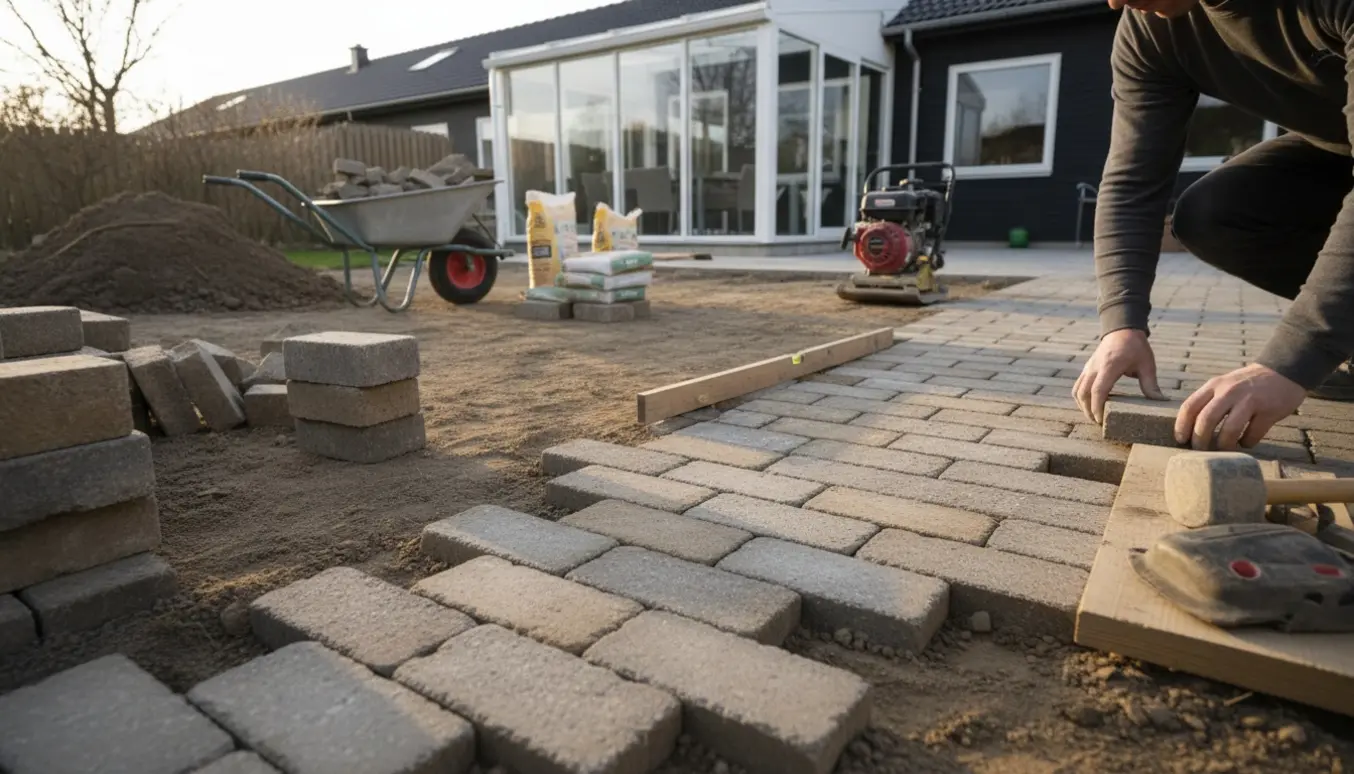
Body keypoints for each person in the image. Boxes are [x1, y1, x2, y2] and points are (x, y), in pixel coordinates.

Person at [1074, 0, 1354, 451]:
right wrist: (1121, 324)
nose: (1114, 1)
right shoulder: (1149, 30)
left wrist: (1294, 357)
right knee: (1213, 214)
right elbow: (1132, 183)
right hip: (1337, 150)